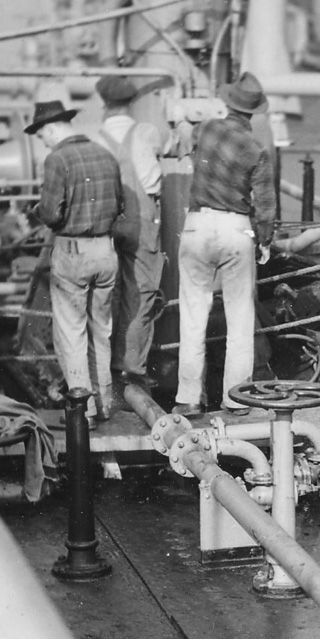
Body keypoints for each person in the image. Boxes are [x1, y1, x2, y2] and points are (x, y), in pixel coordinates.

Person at [174, 72, 276, 418]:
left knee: (192, 316)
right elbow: (264, 204)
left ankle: (188, 398)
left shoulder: (205, 130)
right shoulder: (256, 150)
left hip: (198, 225)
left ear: (228, 103)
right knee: (240, 318)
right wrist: (264, 241)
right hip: (236, 229)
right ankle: (235, 399)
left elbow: (184, 139)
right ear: (253, 113)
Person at [28, 99, 123, 426]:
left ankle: (85, 412)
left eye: (42, 137)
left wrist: (36, 213)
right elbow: (120, 205)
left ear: (51, 129)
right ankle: (105, 403)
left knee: (71, 333)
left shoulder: (58, 159)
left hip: (73, 253)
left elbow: (52, 212)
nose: (43, 143)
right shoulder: (106, 154)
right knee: (101, 331)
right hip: (106, 251)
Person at [94, 76, 166, 394]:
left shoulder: (95, 139)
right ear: (131, 103)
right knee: (141, 294)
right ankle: (132, 370)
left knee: (106, 294)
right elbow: (153, 182)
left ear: (104, 105)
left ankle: (103, 368)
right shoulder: (145, 133)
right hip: (141, 221)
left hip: (105, 223)